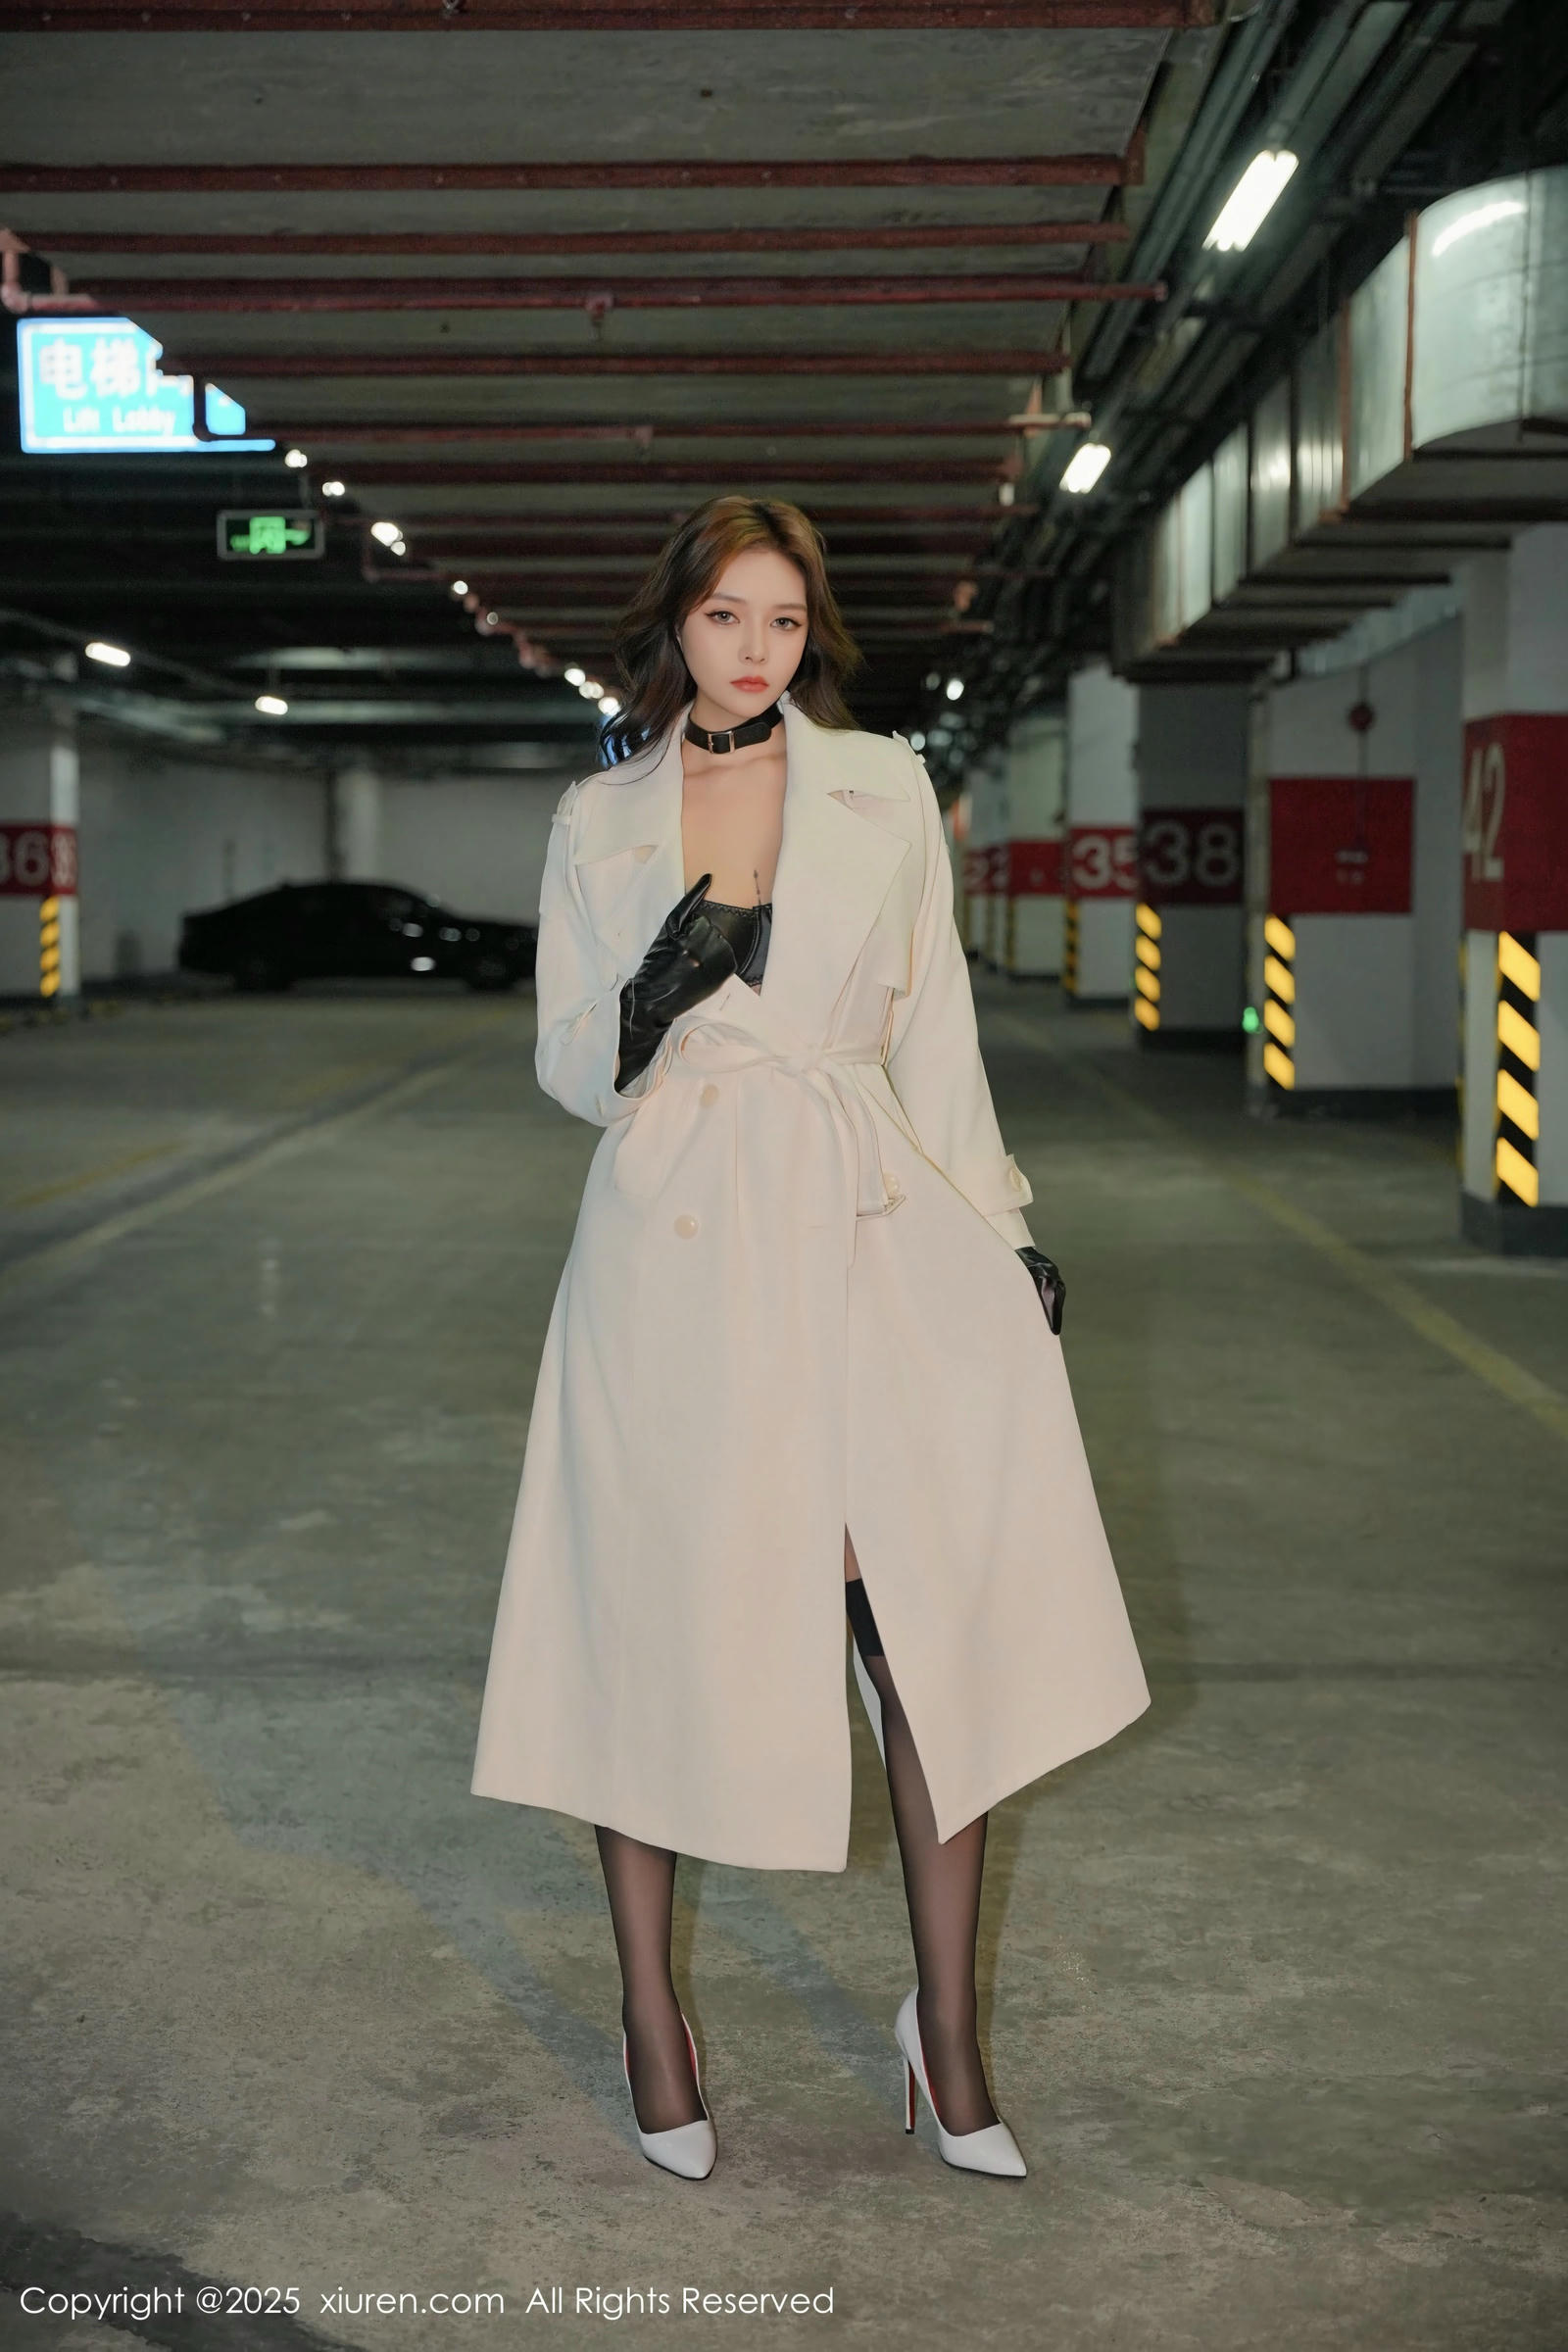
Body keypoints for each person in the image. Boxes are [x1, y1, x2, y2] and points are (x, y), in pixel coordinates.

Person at [470, 494, 1151, 2183]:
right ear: (675, 625)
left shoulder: (882, 786)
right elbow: (565, 1061)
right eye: (725, 616)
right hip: (675, 1246)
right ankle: (653, 2022)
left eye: (783, 618)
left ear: (811, 631)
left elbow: (938, 1034)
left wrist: (1002, 1224)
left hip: (869, 1226)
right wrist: (651, 998)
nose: (755, 647)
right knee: (650, 1625)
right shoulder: (598, 813)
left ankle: (948, 2035)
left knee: (925, 1623)